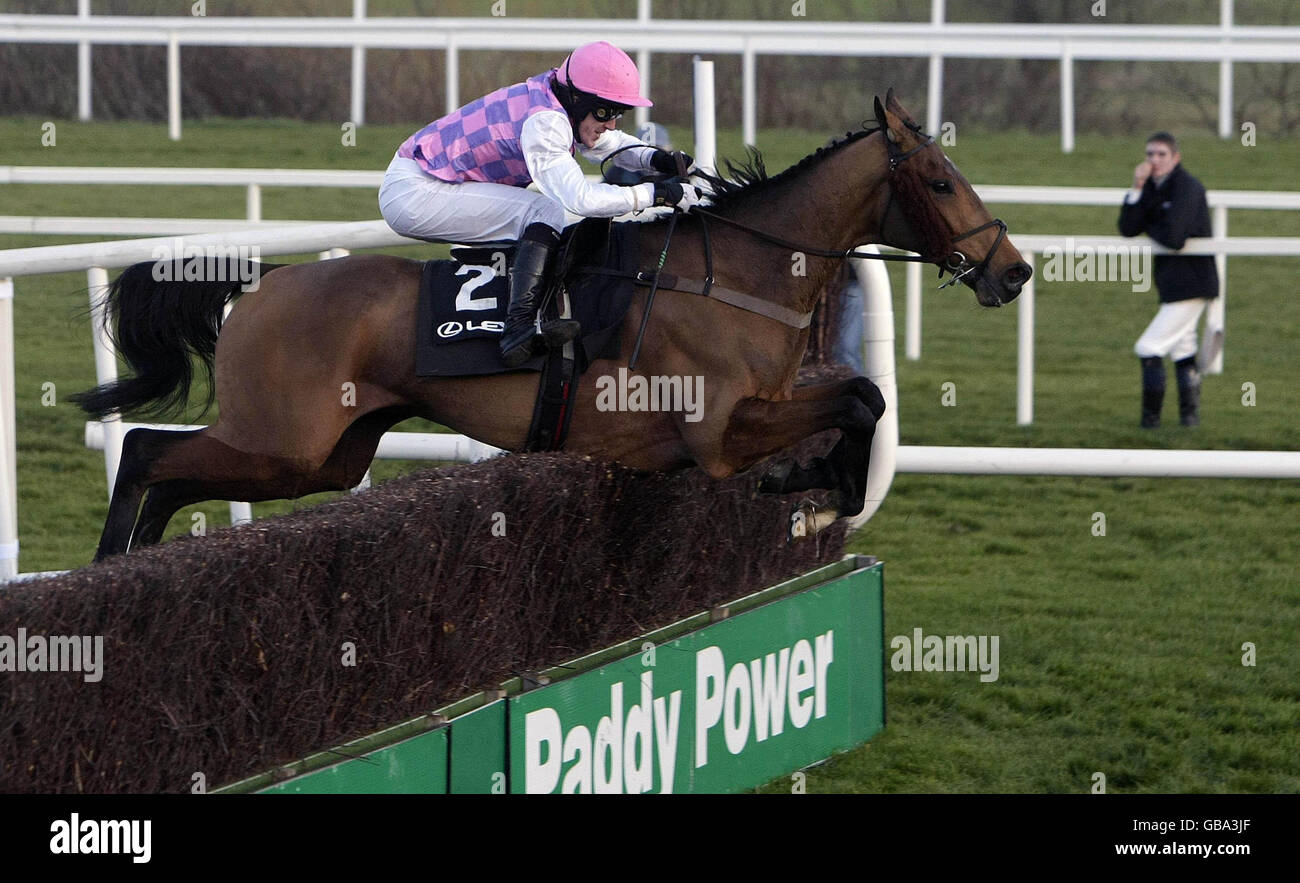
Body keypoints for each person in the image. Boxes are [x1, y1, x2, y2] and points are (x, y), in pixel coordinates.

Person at [379, 42, 703, 367]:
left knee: (540, 214)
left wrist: (653, 158)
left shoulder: (556, 96)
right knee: (543, 210)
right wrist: (654, 195)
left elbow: (603, 140)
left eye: (618, 113)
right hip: (415, 192)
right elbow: (582, 199)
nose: (612, 123)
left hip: (429, 181)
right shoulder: (544, 123)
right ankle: (518, 329)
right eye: (605, 112)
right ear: (578, 100)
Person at [1118, 131, 1218, 428]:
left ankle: (1151, 423)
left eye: (1161, 154)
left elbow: (1174, 238)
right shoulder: (1151, 187)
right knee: (1183, 348)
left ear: (1176, 158)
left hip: (1193, 284)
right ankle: (1189, 421)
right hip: (1173, 284)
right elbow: (1127, 228)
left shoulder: (1187, 187)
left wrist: (1150, 223)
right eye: (1150, 154)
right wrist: (1136, 188)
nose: (1154, 160)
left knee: (1148, 347)